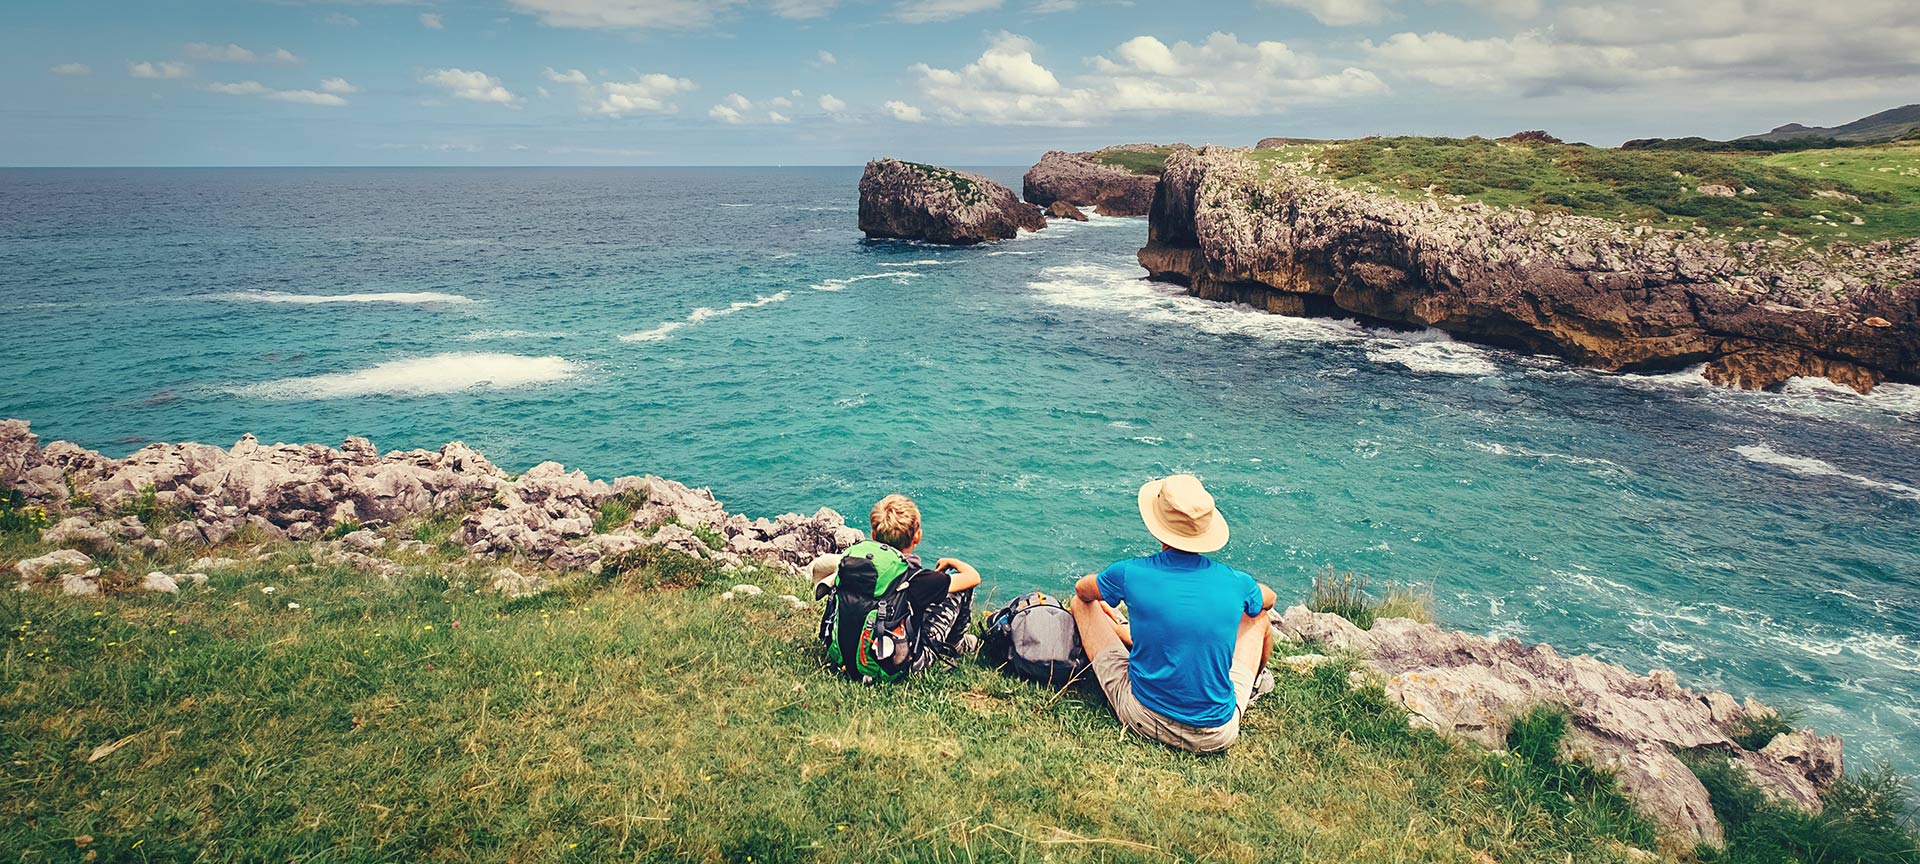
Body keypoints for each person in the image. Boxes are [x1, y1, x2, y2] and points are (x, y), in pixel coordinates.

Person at [1071, 474, 1275, 753]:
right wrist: (1249, 590)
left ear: (1158, 527)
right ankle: (1254, 686)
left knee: (1079, 603)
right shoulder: (1236, 582)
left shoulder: (1131, 573)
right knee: (1258, 617)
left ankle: (1123, 631)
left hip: (1144, 717)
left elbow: (1082, 590)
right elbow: (1268, 600)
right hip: (1216, 734)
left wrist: (1106, 595)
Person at [817, 494, 981, 670]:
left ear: (873, 535)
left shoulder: (854, 563)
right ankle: (956, 645)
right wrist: (952, 562)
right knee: (960, 589)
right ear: (917, 536)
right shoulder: (918, 578)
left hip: (845, 655)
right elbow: (973, 577)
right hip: (898, 662)